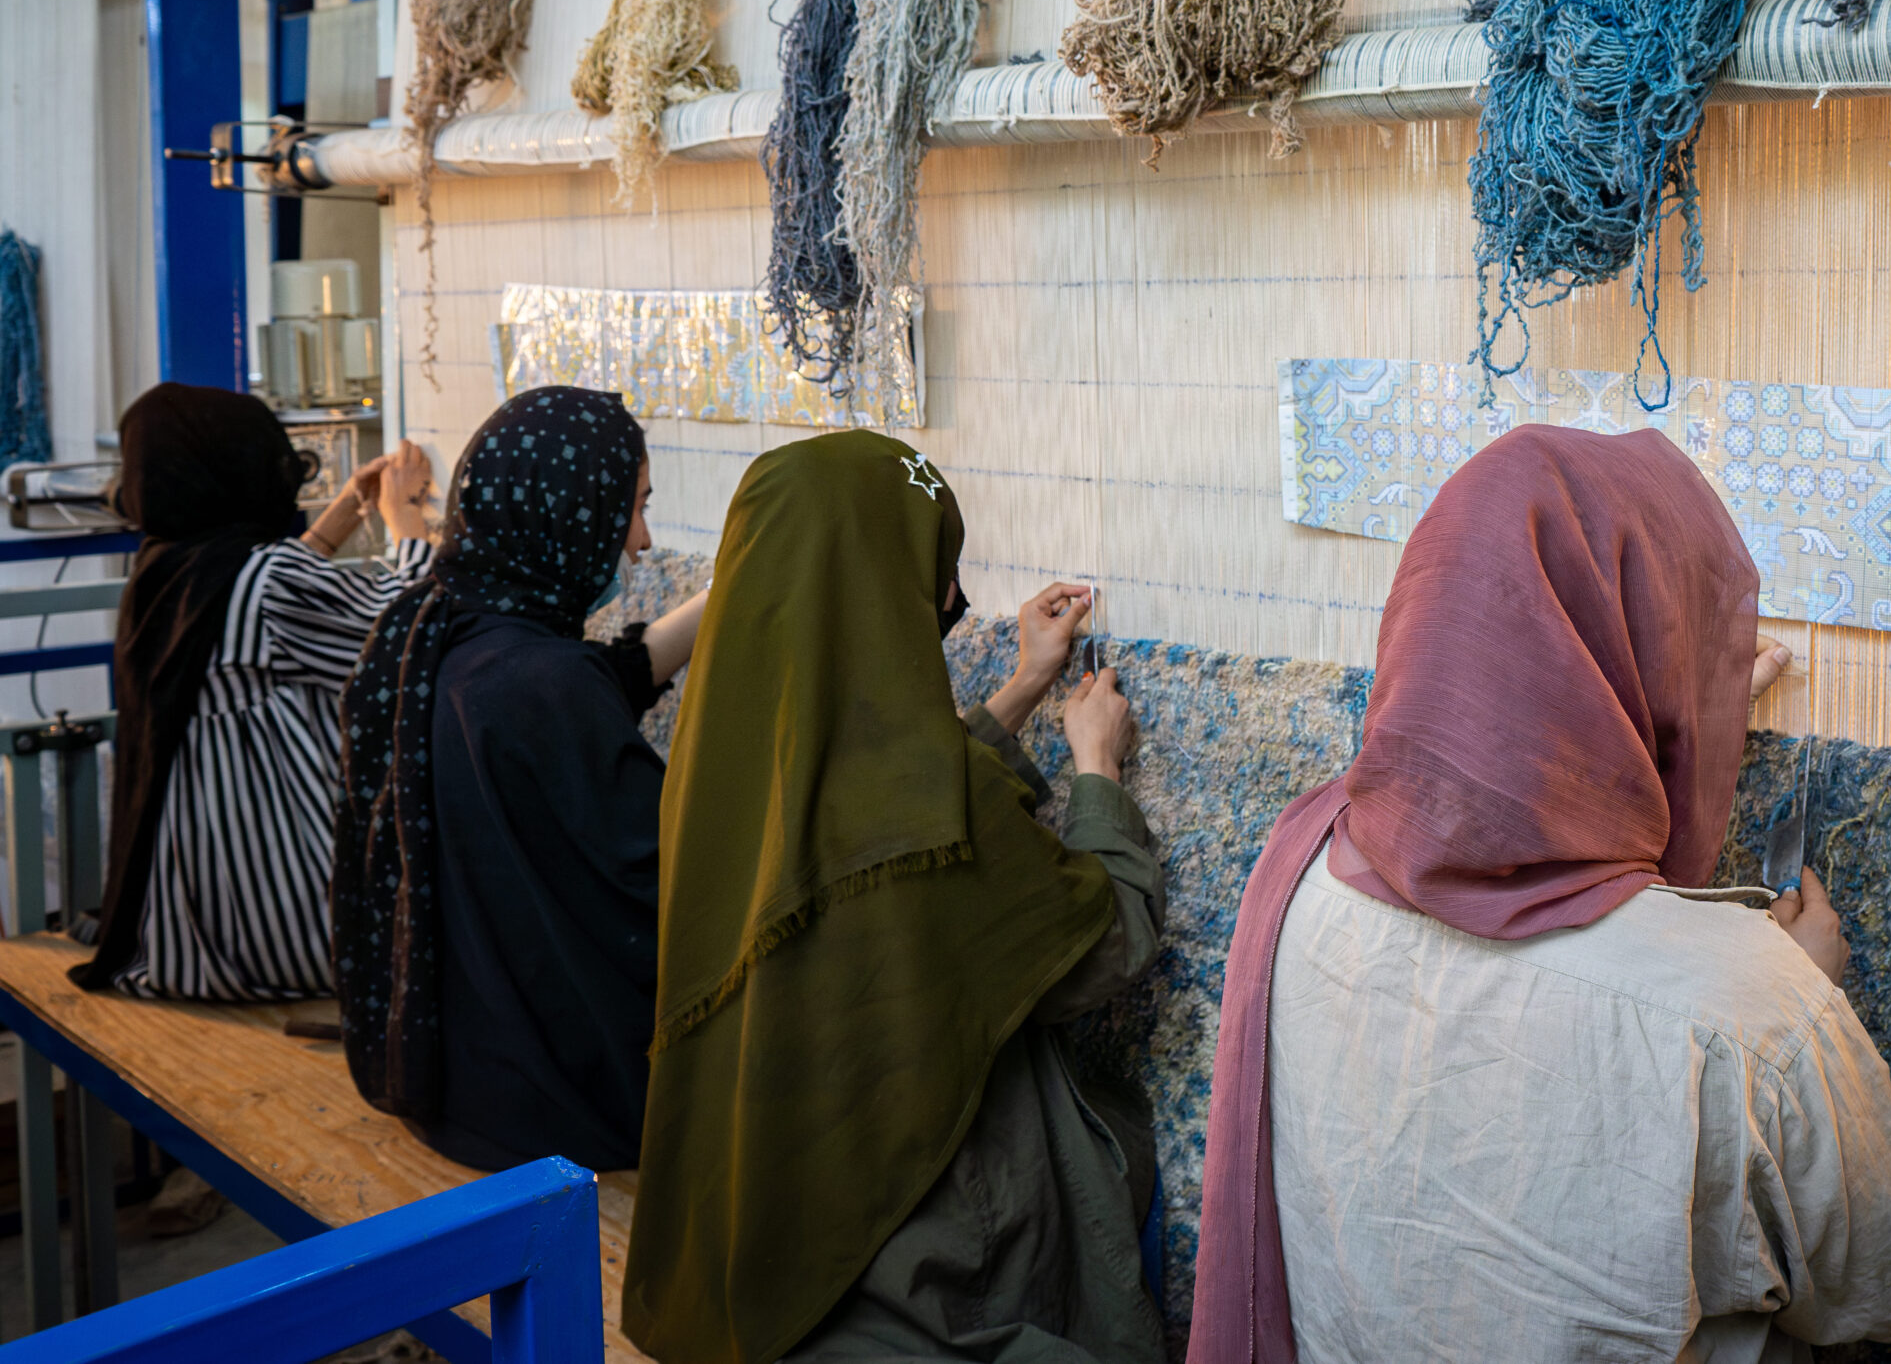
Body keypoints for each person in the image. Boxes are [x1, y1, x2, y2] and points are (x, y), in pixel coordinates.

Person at [1191, 424, 1891, 1364]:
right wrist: (1803, 995)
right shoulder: (1748, 1012)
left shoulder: (1297, 870)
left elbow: (1485, 758)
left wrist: (1685, 723)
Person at [623, 429, 1164, 1364]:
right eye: (934, 571)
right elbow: (1102, 945)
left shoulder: (714, 763)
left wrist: (1024, 686)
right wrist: (1098, 773)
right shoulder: (929, 803)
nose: (949, 599)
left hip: (756, 1237)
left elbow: (875, 820)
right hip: (921, 1264)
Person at [334, 386, 708, 1173]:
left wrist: (720, 595)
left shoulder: (431, 628)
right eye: (632, 508)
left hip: (460, 1087)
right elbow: (678, 877)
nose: (641, 541)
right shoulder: (541, 682)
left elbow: (599, 682)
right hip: (565, 1111)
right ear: (565, 512)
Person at [73, 383, 436, 1001]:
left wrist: (349, 509)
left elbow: (277, 592)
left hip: (191, 927)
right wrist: (405, 517)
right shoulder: (269, 581)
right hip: (292, 933)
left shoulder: (168, 570)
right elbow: (411, 639)